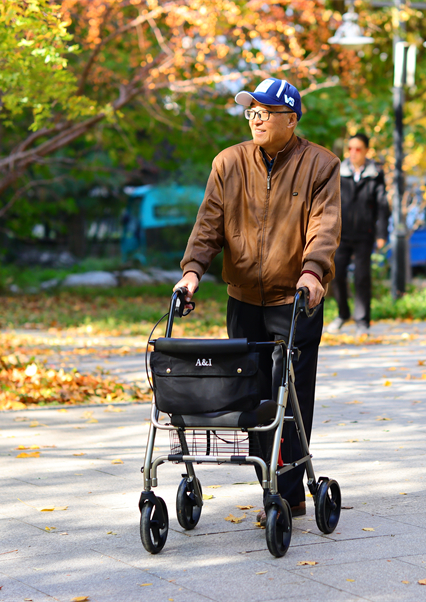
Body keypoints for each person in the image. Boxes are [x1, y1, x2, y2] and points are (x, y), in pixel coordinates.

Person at [173, 78, 341, 520]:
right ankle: (269, 483)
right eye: (252, 112)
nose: (257, 118)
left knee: (290, 395)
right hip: (244, 298)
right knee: (250, 395)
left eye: (265, 111)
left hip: (295, 299)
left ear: (291, 118)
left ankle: (286, 493)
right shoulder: (228, 163)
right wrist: (192, 273)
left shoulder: (321, 164)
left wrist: (313, 272)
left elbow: (324, 228)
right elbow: (208, 224)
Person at [327, 133, 389, 337]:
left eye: (358, 149)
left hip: (365, 234)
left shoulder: (375, 174)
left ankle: (363, 322)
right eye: (350, 148)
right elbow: (330, 203)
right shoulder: (339, 171)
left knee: (362, 277)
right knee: (337, 275)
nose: (353, 153)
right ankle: (343, 314)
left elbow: (382, 206)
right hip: (341, 234)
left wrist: (381, 234)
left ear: (366, 151)